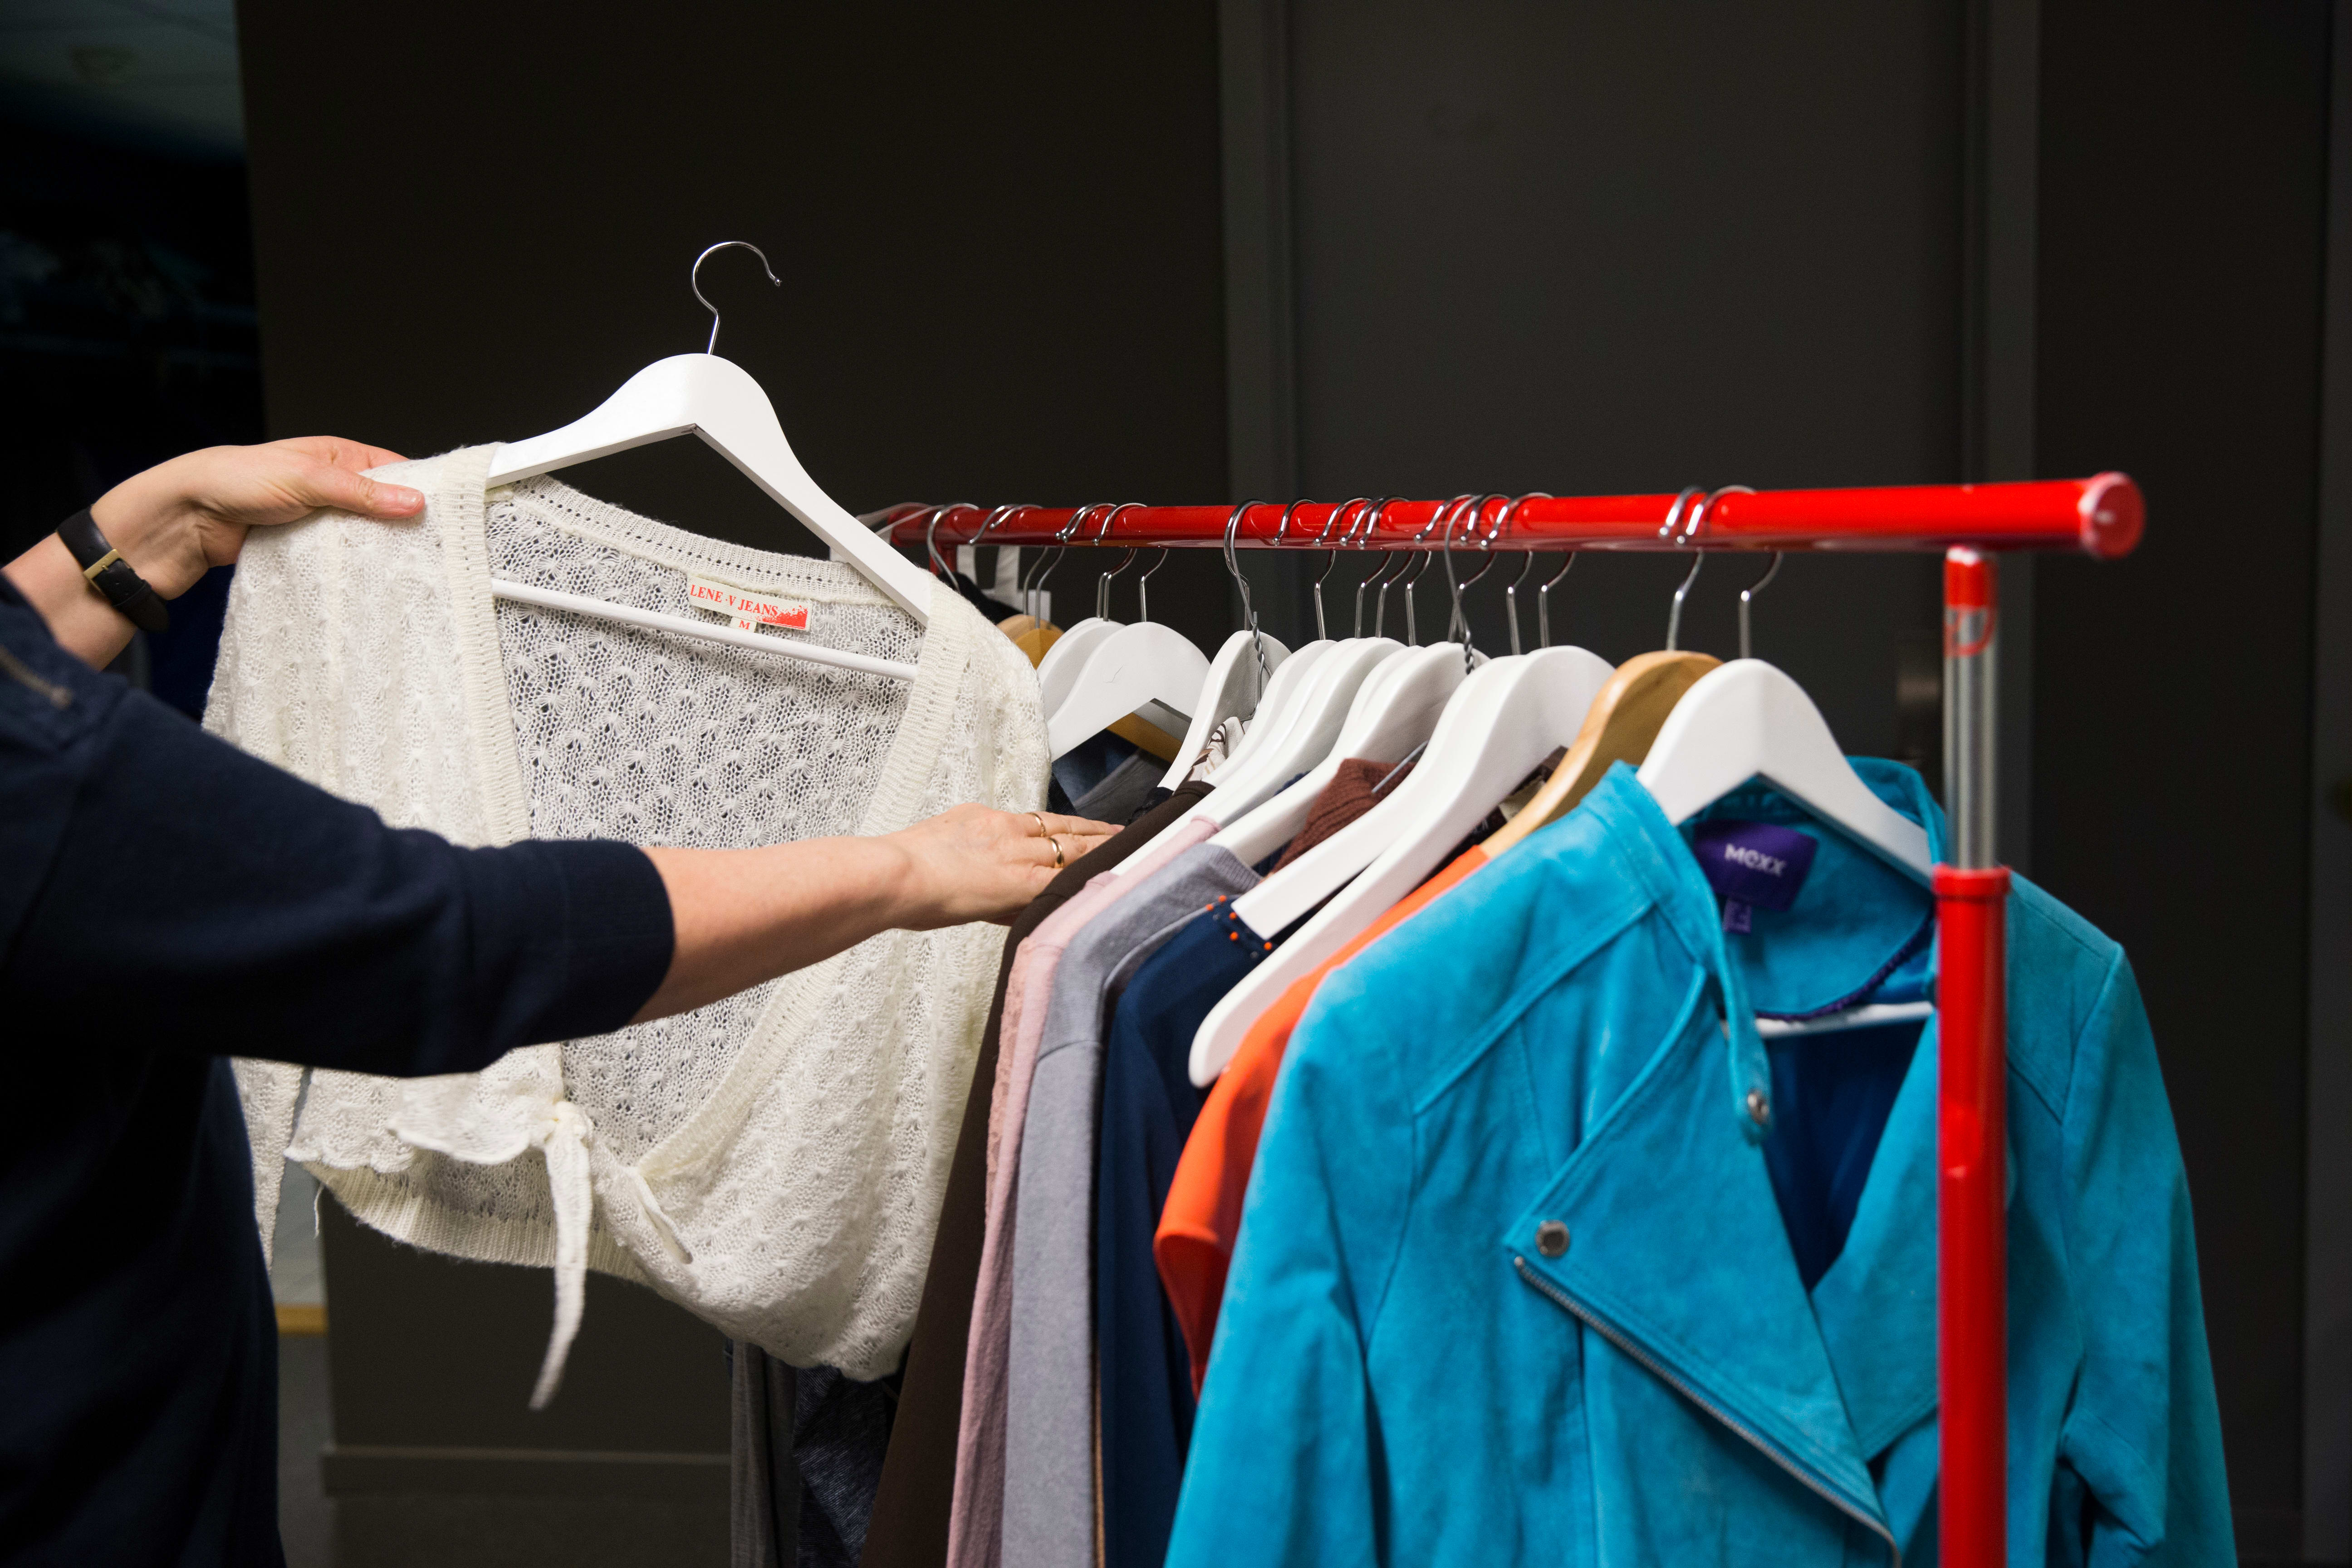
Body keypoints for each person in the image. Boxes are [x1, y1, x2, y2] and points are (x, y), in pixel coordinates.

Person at [0, 437, 1113, 1568]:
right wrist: (902, 870)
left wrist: (157, 527)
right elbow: (443, 936)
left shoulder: (978, 687)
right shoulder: (75, 753)